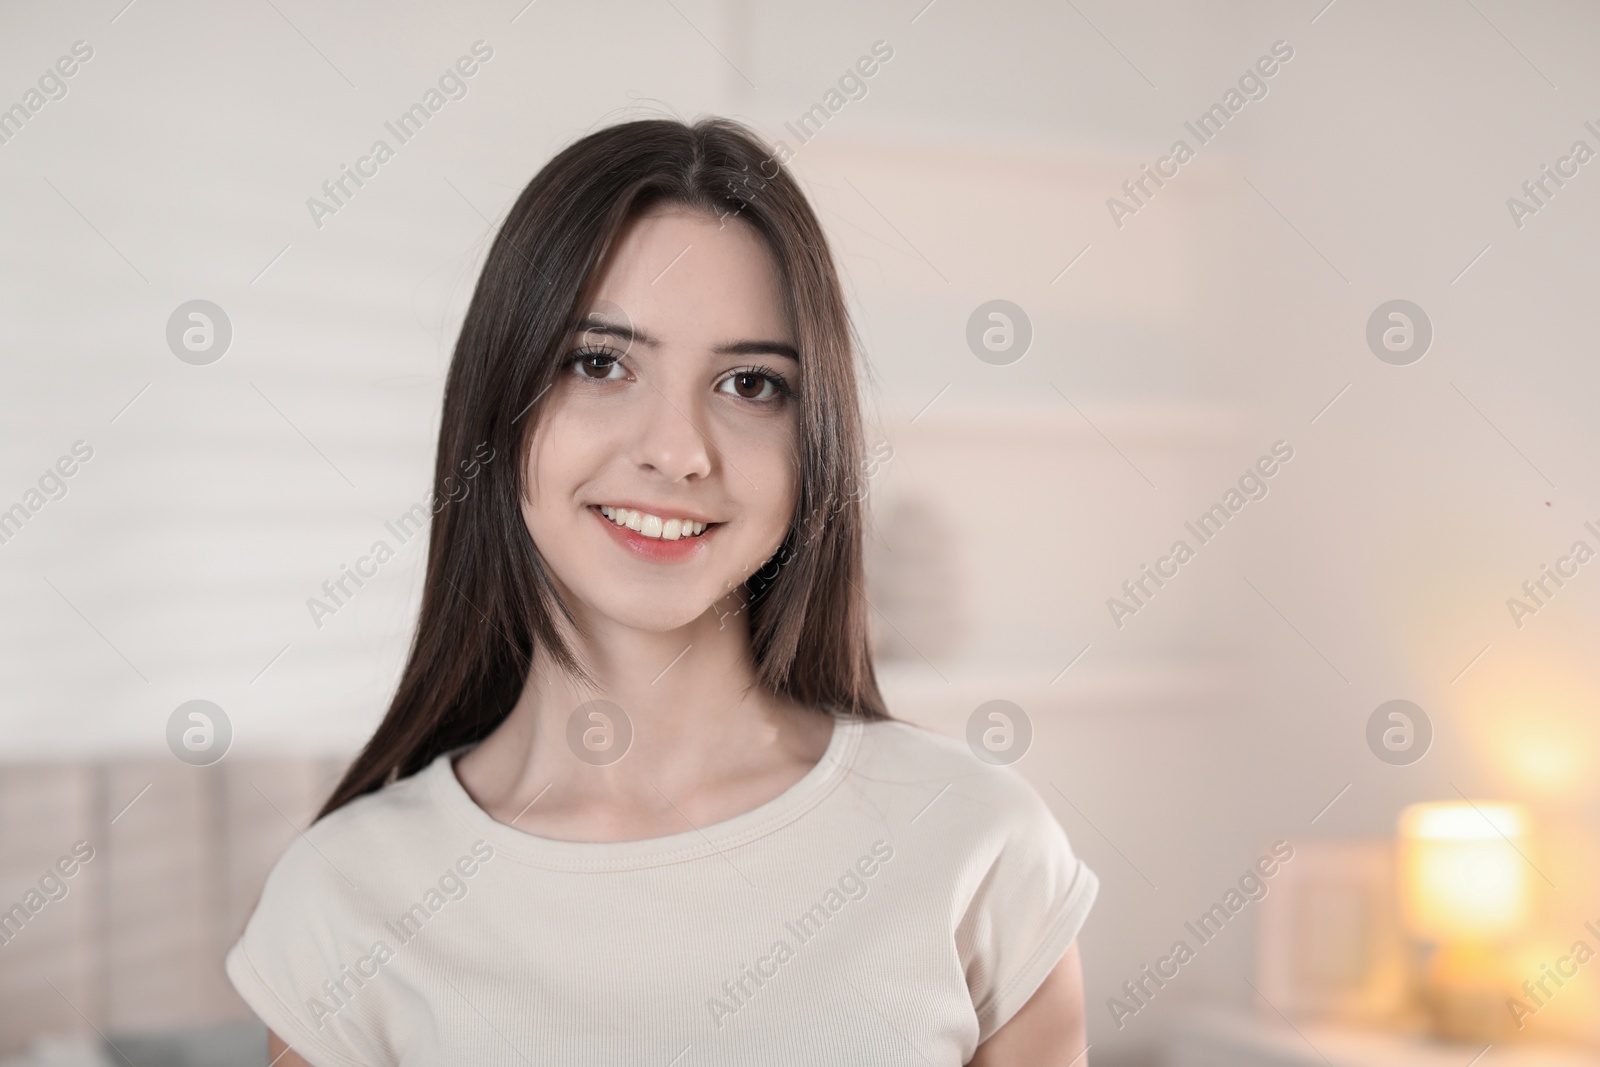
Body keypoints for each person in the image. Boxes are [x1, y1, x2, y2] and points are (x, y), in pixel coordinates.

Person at [225, 116, 1098, 1066]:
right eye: (600, 363)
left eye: (751, 383)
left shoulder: (977, 848)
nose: (678, 451)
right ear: (498, 403)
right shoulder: (345, 903)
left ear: (816, 444)